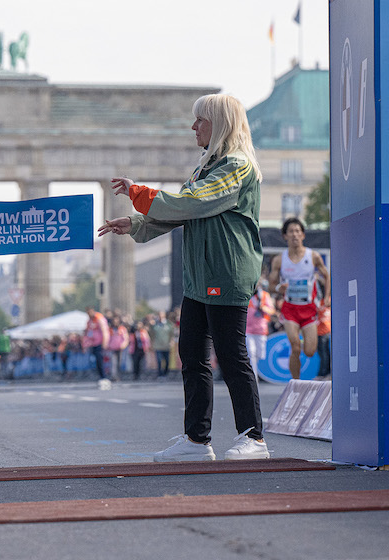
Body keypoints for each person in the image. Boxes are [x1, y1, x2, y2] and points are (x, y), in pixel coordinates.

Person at [99, 93, 269, 462]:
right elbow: (186, 209)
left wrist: (139, 193)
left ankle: (254, 438)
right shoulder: (205, 167)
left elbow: (192, 203)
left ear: (220, 124)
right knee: (191, 355)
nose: (193, 127)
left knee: (231, 354)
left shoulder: (237, 166)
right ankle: (196, 440)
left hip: (226, 270)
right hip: (200, 275)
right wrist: (137, 223)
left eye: (200, 120)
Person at [267, 216, 330, 380]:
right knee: (295, 347)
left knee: (309, 351)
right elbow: (271, 286)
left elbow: (327, 275)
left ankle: (305, 342)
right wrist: (279, 288)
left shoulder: (313, 256)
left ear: (303, 235)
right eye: (291, 232)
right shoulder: (279, 260)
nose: (294, 235)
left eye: (297, 231)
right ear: (285, 236)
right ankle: (296, 383)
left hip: (309, 309)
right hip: (290, 309)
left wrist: (327, 297)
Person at [245, 279, 276, 374]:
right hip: (248, 329)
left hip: (261, 329)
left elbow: (272, 311)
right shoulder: (246, 296)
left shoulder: (264, 296)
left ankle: (254, 369)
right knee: (251, 353)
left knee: (260, 354)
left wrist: (263, 308)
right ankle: (253, 376)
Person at [83, 305, 109, 381]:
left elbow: (105, 331)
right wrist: (85, 344)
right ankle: (100, 376)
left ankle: (103, 376)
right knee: (95, 361)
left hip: (100, 343)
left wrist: (105, 342)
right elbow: (87, 333)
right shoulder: (89, 321)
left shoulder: (99, 318)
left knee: (100, 360)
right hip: (92, 344)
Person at [150, 311, 173, 379]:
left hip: (166, 345)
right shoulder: (155, 325)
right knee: (159, 361)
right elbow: (151, 334)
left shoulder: (169, 324)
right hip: (158, 346)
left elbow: (171, 334)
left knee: (167, 361)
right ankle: (160, 374)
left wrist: (171, 341)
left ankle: (165, 373)